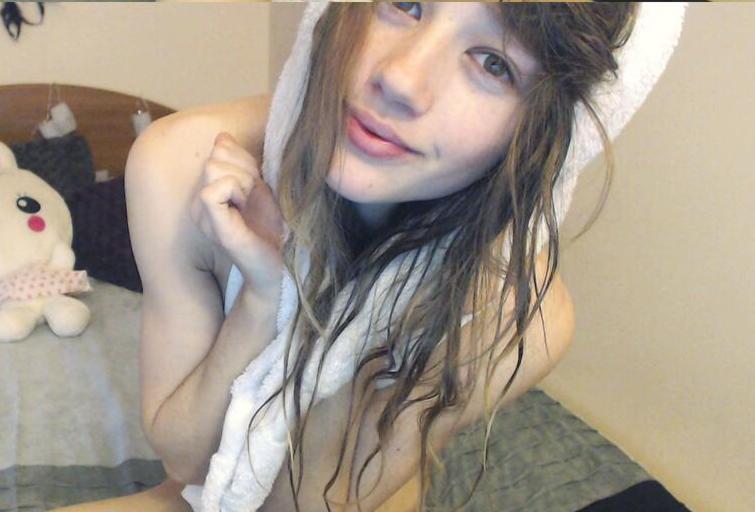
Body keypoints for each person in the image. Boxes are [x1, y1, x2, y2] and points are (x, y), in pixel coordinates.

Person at [51, 2, 686, 511]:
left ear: (545, 135)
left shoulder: (527, 318)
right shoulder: (180, 162)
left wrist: (385, 320)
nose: (400, 79)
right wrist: (263, 296)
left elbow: (325, 498)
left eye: (494, 62)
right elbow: (187, 461)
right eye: (404, 4)